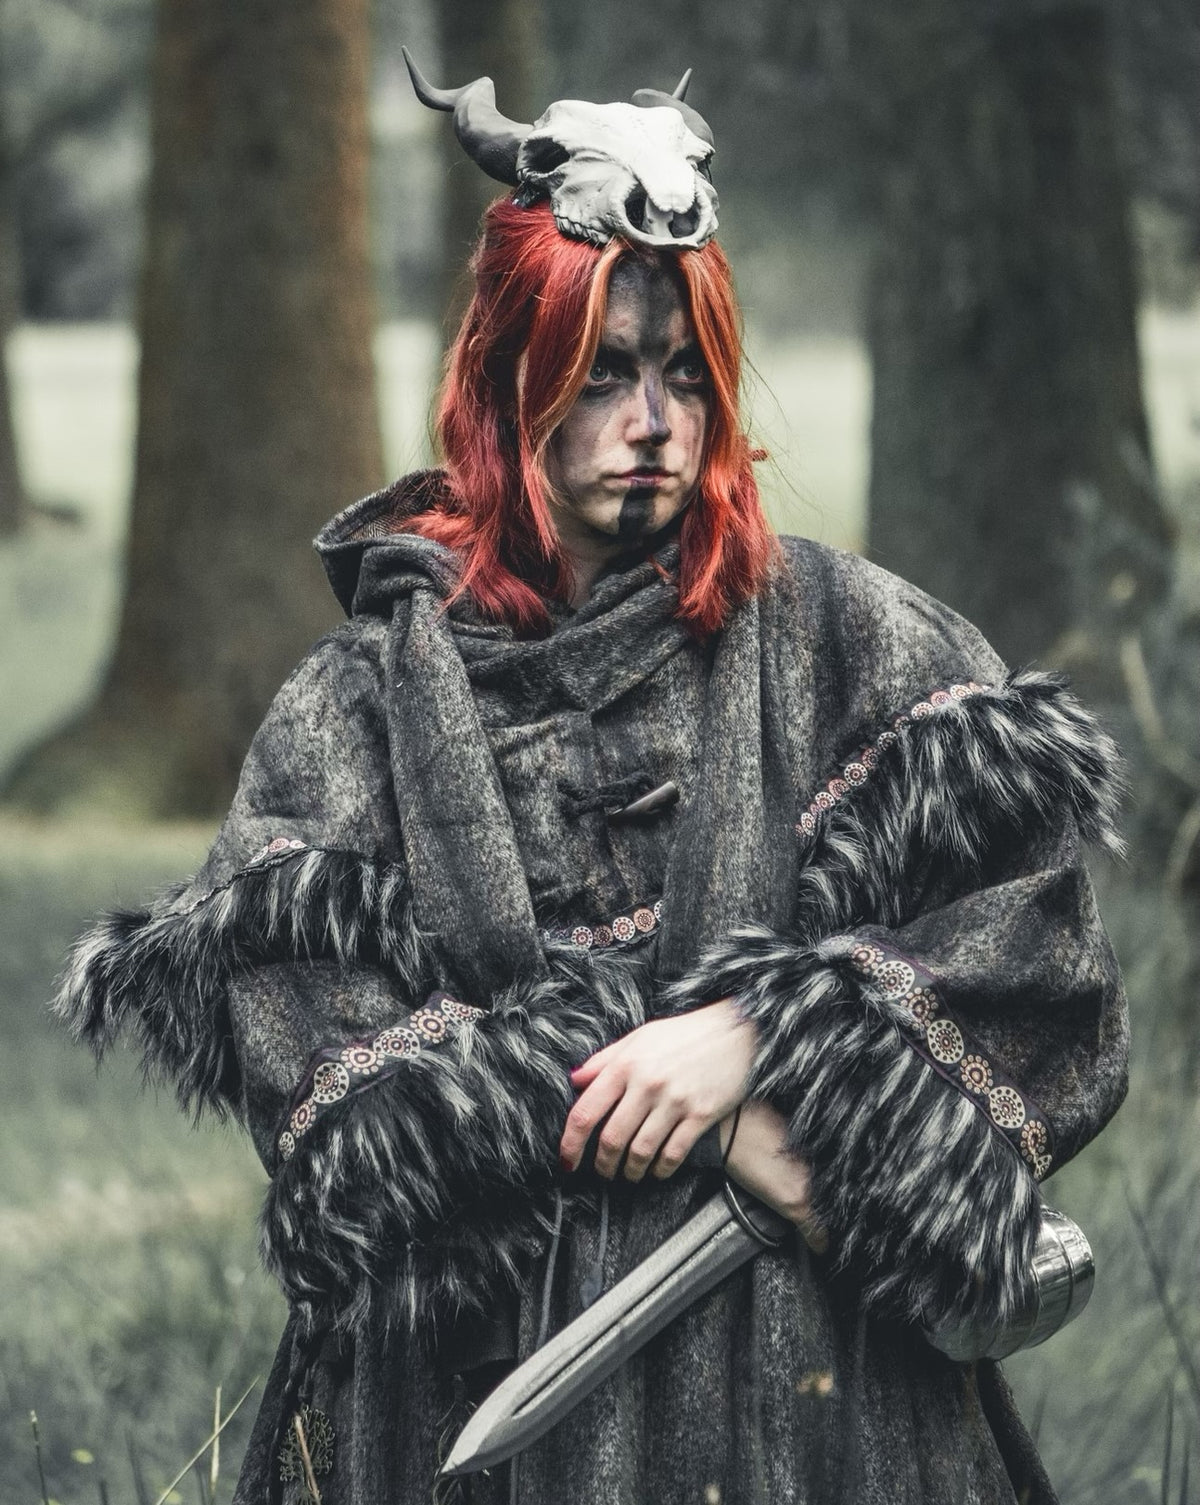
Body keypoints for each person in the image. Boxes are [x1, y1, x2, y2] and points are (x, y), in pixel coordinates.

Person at [56, 62, 1129, 1505]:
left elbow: (1040, 942)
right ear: (511, 382)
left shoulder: (844, 635)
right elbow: (323, 1080)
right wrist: (652, 1089)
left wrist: (762, 1044)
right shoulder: (358, 706)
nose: (655, 420)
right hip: (471, 1394)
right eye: (605, 370)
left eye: (684, 370)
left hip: (814, 1407)